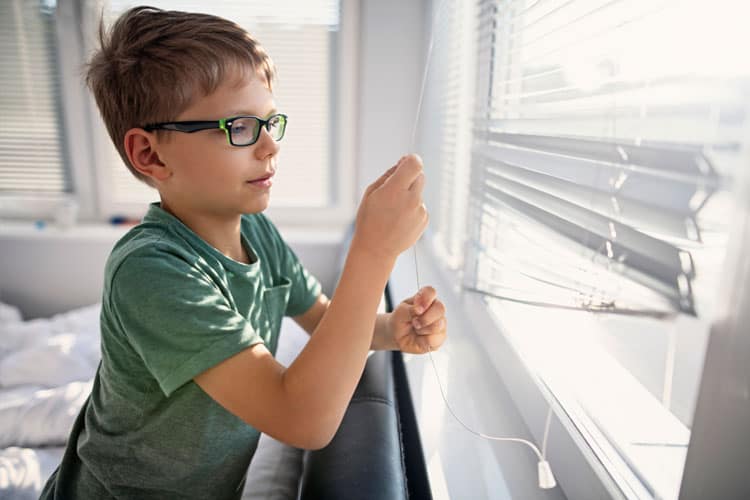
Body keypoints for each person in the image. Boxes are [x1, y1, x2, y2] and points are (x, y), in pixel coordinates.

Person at [40, 6, 447, 499]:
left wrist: (389, 329)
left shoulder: (257, 231)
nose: (271, 145)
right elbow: (302, 420)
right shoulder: (151, 271)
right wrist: (373, 253)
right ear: (150, 154)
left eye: (271, 122)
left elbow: (323, 319)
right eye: (239, 127)